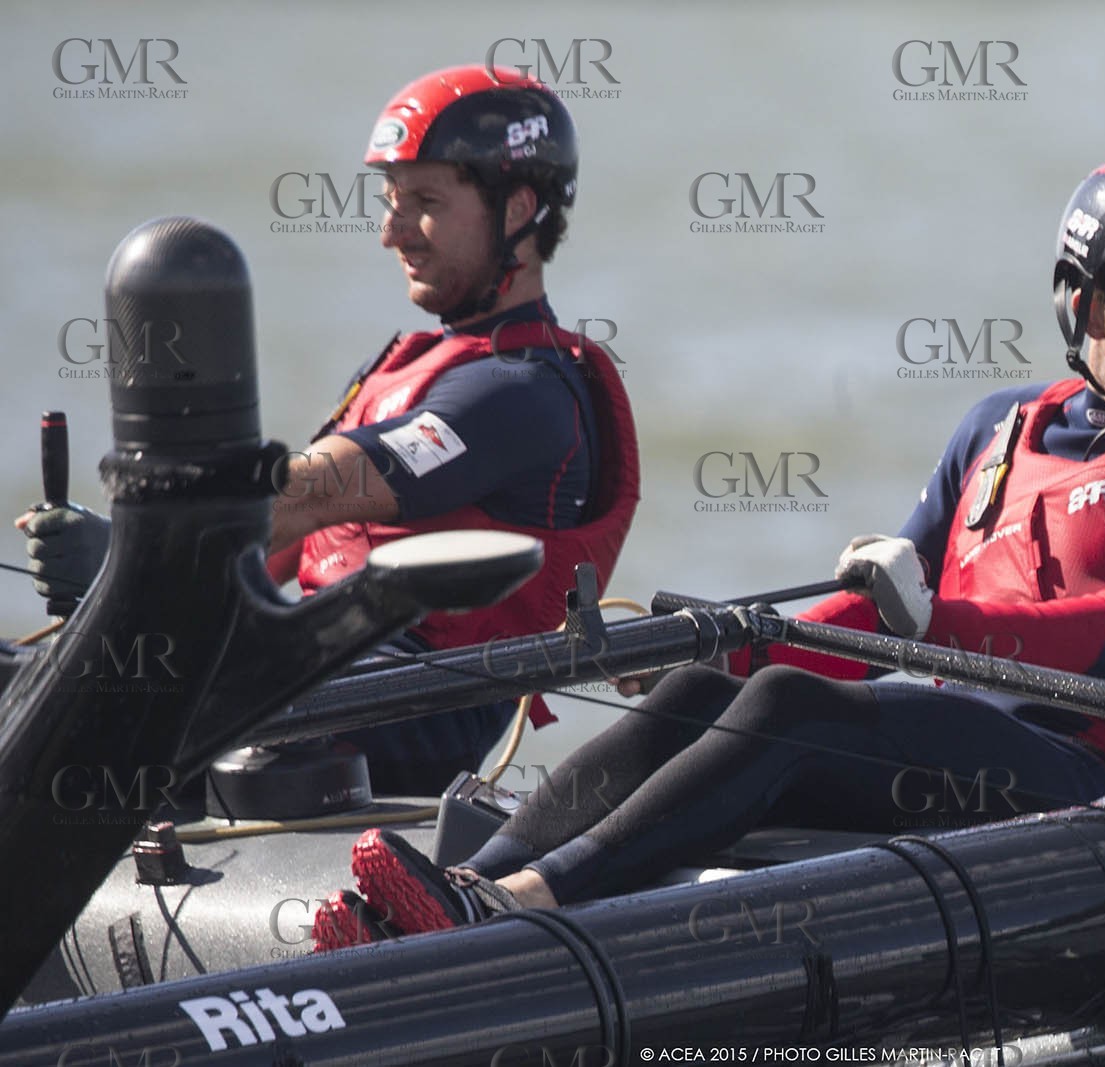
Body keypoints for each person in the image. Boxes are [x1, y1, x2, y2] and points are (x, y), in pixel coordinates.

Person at [312, 153, 1105, 948]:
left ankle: (525, 901)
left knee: (790, 705)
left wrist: (930, 623)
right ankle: (459, 886)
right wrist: (733, 645)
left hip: (1093, 786)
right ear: (1084, 303)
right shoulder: (999, 427)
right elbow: (877, 610)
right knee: (705, 689)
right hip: (952, 742)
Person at [16, 65, 640, 795]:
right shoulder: (415, 367)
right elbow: (266, 550)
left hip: (403, 710)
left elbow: (307, 494)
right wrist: (132, 597)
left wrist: (136, 561)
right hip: (310, 666)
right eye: (391, 201)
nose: (391, 232)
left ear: (518, 211)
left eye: (425, 203)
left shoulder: (523, 392)